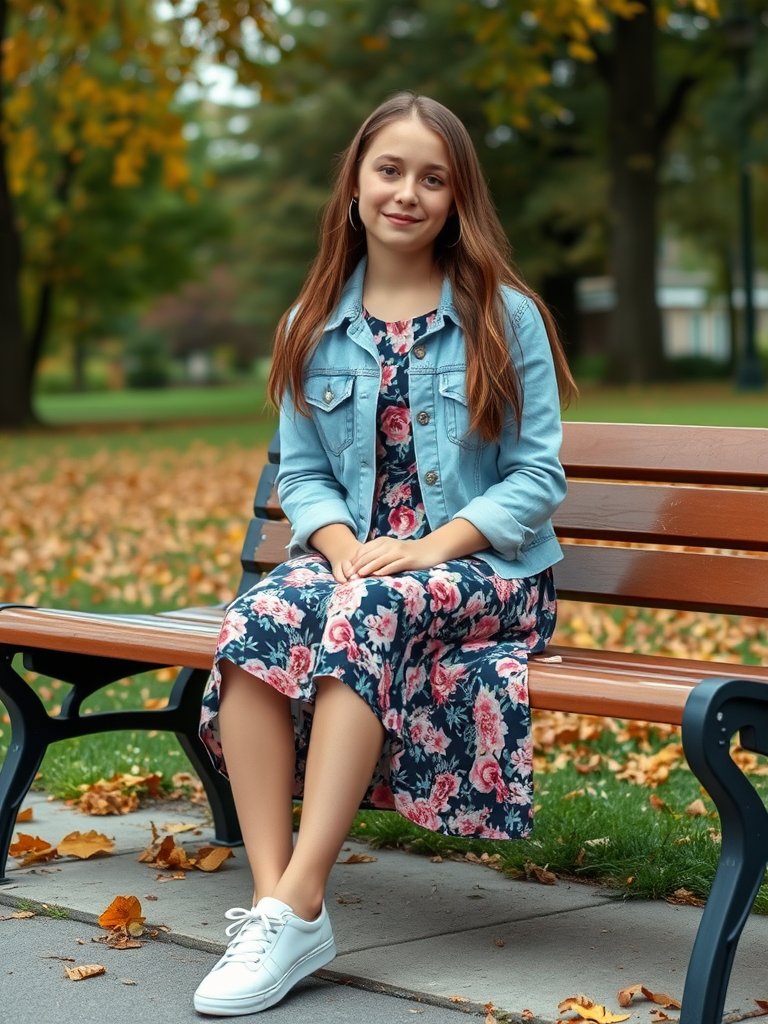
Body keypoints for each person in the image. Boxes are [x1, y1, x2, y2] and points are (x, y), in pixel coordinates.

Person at [194, 91, 577, 1017]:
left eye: (432, 178)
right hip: (356, 560)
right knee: (259, 619)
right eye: (390, 170)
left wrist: (424, 550)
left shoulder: (504, 314)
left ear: (457, 198)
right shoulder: (311, 320)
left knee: (364, 610)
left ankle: (298, 900)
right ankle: (274, 902)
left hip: (488, 570)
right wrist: (339, 547)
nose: (408, 192)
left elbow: (537, 478)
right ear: (357, 184)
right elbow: (304, 474)